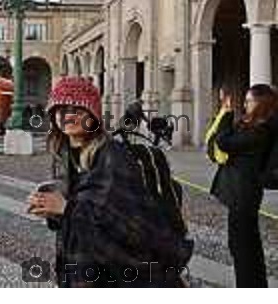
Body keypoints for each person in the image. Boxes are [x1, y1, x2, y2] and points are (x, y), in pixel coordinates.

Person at [27, 76, 190, 287]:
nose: (67, 115)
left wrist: (67, 209)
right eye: (60, 109)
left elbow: (129, 229)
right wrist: (53, 213)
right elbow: (83, 216)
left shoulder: (113, 157)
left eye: (76, 109)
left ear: (92, 115)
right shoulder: (65, 156)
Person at [206, 84, 278, 287]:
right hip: (243, 195)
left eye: (249, 101)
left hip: (244, 196)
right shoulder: (255, 127)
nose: (245, 105)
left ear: (261, 103)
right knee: (245, 247)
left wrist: (227, 113)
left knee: (243, 249)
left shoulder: (260, 131)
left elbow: (223, 141)